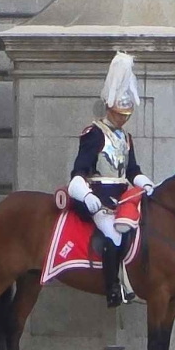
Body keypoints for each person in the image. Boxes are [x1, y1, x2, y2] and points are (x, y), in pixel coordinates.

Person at [68, 51, 156, 308]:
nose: (124, 119)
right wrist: (86, 195)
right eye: (121, 114)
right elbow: (78, 171)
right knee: (114, 235)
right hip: (99, 197)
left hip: (123, 198)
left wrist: (146, 183)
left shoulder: (126, 138)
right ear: (110, 107)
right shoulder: (94, 133)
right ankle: (113, 288)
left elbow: (131, 171)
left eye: (127, 115)